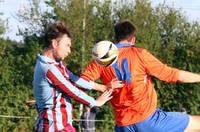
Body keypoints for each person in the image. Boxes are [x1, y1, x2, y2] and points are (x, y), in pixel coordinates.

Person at [81, 20, 200, 132]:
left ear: (115, 38)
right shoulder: (139, 54)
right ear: (133, 39)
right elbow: (173, 75)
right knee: (196, 123)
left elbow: (82, 81)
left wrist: (102, 87)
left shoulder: (102, 60)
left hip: (123, 125)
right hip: (148, 120)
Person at [32, 21, 123, 132]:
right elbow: (72, 90)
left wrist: (104, 87)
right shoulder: (49, 68)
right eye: (67, 45)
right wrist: (95, 103)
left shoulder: (56, 64)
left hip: (63, 126)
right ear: (55, 44)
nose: (69, 51)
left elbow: (75, 79)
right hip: (53, 127)